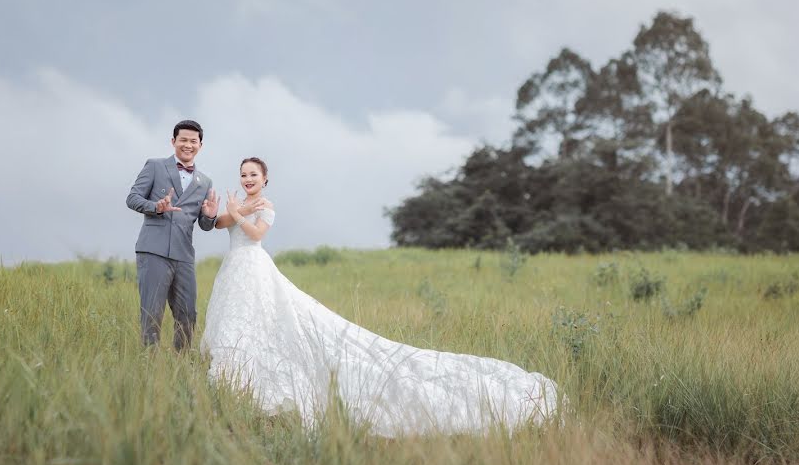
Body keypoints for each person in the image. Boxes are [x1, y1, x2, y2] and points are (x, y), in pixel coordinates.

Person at [200, 157, 562, 436]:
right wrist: (219, 213)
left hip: (257, 266)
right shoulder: (239, 205)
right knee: (245, 325)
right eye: (243, 174)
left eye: (253, 174)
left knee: (280, 322)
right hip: (235, 270)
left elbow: (257, 234)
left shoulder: (266, 205)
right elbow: (221, 225)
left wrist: (237, 213)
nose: (247, 179)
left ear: (264, 179)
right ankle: (237, 380)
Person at [125, 120, 220, 350]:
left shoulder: (205, 181)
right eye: (183, 140)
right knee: (152, 313)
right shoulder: (155, 166)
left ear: (200, 145)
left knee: (188, 314)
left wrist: (210, 216)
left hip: (184, 256)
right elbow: (132, 198)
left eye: (193, 141)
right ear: (173, 141)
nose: (188, 145)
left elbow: (204, 225)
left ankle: (182, 367)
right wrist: (156, 207)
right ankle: (149, 368)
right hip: (154, 251)